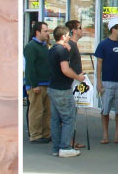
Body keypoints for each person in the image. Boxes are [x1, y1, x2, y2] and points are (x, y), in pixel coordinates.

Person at [47, 25, 86, 158]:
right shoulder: (62, 51)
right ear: (63, 36)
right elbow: (65, 69)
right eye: (68, 35)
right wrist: (78, 77)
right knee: (69, 118)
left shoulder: (53, 49)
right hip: (62, 89)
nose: (69, 37)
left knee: (56, 119)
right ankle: (65, 147)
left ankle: (57, 147)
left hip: (53, 87)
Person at [94, 17, 118, 144]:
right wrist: (98, 82)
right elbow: (99, 64)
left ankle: (117, 135)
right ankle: (105, 134)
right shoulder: (103, 45)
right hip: (107, 81)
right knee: (105, 109)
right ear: (112, 29)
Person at [24, 21, 51, 143]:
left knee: (46, 111)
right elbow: (30, 67)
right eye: (45, 31)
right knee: (36, 111)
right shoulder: (31, 47)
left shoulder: (44, 46)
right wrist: (34, 84)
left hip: (46, 83)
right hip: (36, 85)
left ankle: (46, 133)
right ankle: (35, 135)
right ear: (37, 32)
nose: (47, 33)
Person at [65, 20, 85, 149]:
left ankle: (69, 139)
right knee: (69, 113)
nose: (82, 30)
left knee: (71, 112)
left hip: (74, 81)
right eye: (80, 28)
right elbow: (65, 65)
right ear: (74, 31)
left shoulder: (73, 45)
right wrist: (76, 76)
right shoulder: (70, 45)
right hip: (71, 83)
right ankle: (69, 140)